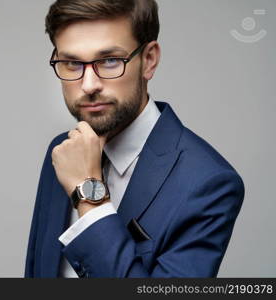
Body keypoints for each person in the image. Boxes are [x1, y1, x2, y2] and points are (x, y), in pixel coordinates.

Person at [24, 0, 244, 278]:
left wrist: (89, 196)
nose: (89, 85)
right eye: (71, 63)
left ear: (149, 60)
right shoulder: (62, 151)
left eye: (109, 60)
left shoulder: (208, 182)